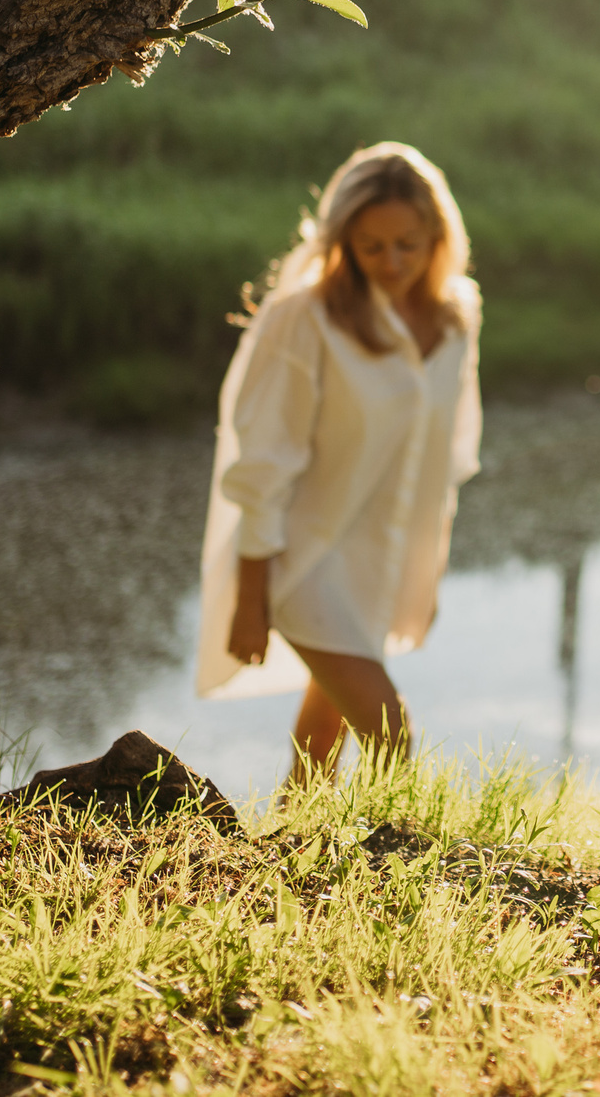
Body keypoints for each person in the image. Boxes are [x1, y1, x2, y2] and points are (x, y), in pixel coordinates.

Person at [192, 142, 481, 781]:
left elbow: (447, 457)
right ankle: (399, 869)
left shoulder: (458, 313)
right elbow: (262, 461)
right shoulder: (305, 319)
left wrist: (424, 574)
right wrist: (251, 596)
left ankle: (296, 858)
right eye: (371, 246)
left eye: (407, 242)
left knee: (326, 729)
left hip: (377, 563)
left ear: (437, 233)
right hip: (302, 561)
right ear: (343, 239)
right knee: (390, 735)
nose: (392, 262)